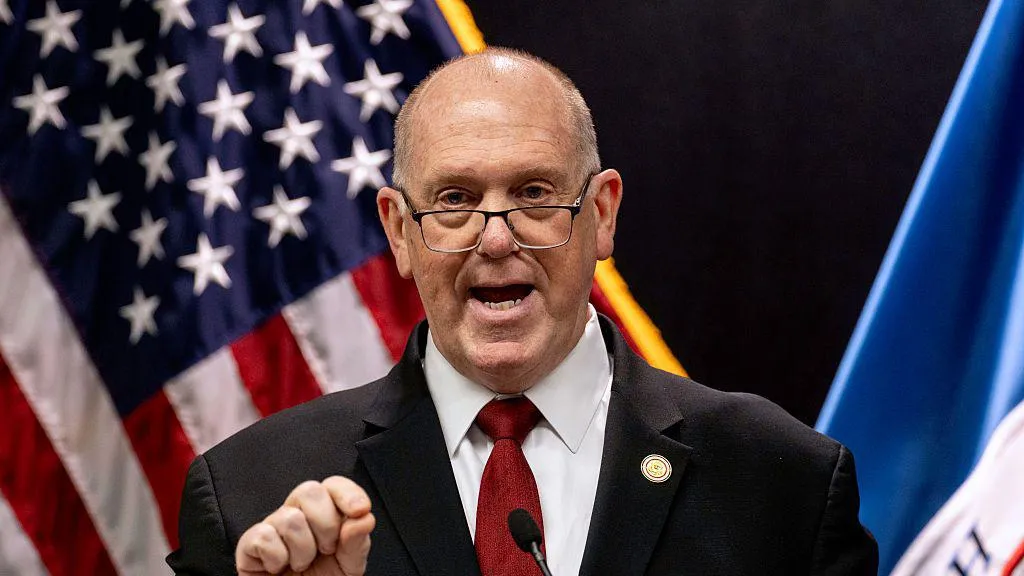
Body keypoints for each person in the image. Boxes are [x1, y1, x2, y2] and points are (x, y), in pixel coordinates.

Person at [168, 48, 878, 576]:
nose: (497, 238)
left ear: (601, 214)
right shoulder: (250, 498)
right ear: (398, 232)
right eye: (453, 200)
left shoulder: (780, 484)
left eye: (536, 193)